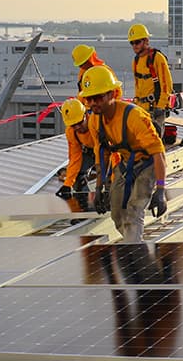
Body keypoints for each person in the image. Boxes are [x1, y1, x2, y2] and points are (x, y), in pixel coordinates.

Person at [80, 65, 168, 243]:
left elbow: (159, 154)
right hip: (125, 164)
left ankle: (134, 253)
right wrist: (98, 188)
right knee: (118, 214)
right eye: (89, 99)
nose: (93, 103)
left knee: (134, 211)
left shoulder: (134, 117)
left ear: (112, 94)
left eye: (98, 97)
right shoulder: (95, 121)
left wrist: (160, 190)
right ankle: (133, 244)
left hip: (148, 164)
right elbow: (101, 155)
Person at [128, 24, 173, 132]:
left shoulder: (157, 58)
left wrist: (161, 106)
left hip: (155, 108)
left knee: (154, 142)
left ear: (146, 41)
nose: (135, 45)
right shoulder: (136, 61)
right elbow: (137, 86)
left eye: (137, 42)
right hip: (141, 109)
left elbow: (166, 84)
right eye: (132, 43)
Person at [56, 97, 98, 198]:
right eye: (73, 125)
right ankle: (83, 200)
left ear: (86, 115)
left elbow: (110, 154)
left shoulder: (96, 123)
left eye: (79, 123)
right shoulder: (71, 132)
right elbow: (75, 158)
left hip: (107, 153)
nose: (77, 127)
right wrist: (68, 184)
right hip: (90, 153)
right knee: (79, 177)